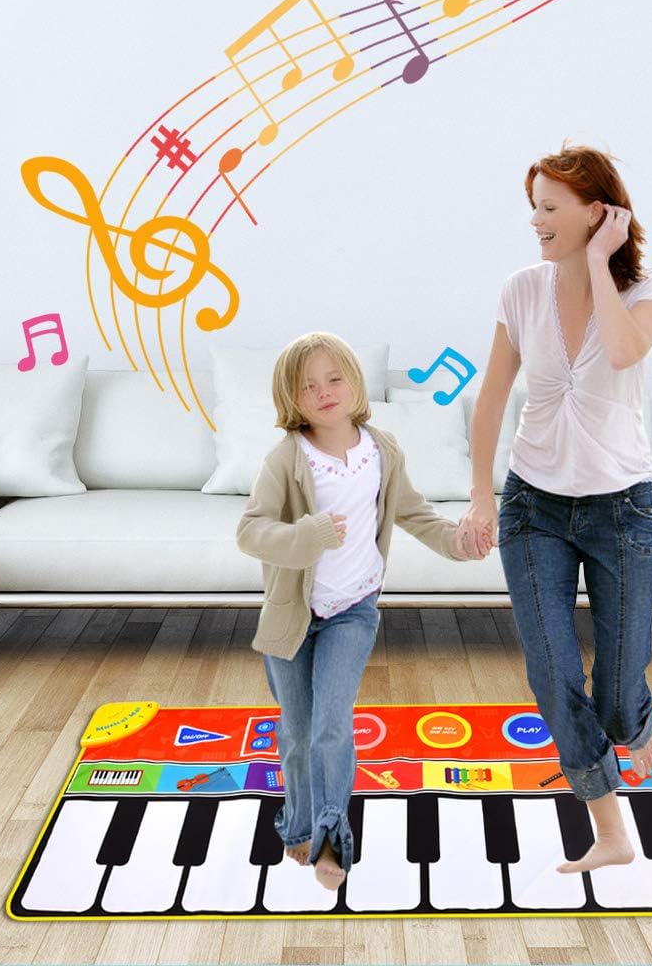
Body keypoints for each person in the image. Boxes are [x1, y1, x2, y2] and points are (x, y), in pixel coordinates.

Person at [456, 143, 652, 874]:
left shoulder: (649, 287)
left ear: (597, 211)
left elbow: (619, 354)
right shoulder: (521, 289)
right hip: (533, 506)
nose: (537, 222)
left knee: (615, 695)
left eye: (551, 209)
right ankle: (610, 830)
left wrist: (604, 266)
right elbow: (490, 398)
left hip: (622, 510)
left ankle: (635, 723)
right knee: (552, 671)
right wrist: (483, 495)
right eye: (534, 208)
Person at [237, 331, 488, 891]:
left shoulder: (383, 449)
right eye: (307, 386)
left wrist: (458, 543)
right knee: (297, 732)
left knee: (331, 726)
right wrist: (309, 534)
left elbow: (415, 514)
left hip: (353, 609)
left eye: (334, 378)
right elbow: (250, 532)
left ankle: (331, 836)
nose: (323, 392)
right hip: (292, 618)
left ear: (354, 382)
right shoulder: (286, 458)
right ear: (291, 399)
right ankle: (297, 822)